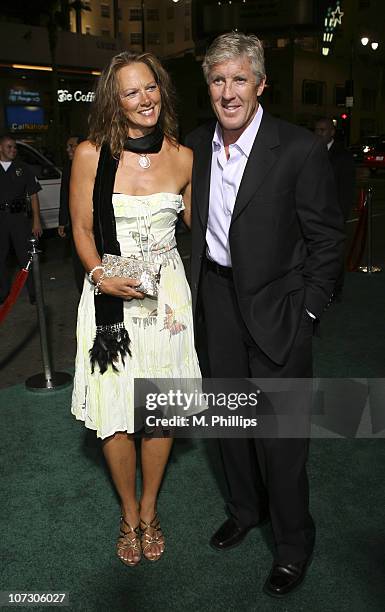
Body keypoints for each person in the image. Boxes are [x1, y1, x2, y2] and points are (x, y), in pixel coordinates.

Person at [185, 33, 345, 597]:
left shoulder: (297, 148)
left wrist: (308, 313)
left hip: (280, 308)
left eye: (239, 80)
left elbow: (328, 240)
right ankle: (244, 510)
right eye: (217, 80)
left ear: (260, 85)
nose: (228, 92)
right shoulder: (196, 145)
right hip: (218, 305)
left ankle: (293, 544)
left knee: (280, 438)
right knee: (230, 425)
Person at [70, 51, 201, 567]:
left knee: (160, 411)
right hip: (109, 301)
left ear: (161, 90)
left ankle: (150, 510)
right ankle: (127, 513)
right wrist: (101, 275)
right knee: (117, 416)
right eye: (131, 92)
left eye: (151, 88)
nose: (145, 100)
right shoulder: (91, 154)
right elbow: (81, 229)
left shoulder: (185, 158)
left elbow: (209, 230)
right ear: (114, 101)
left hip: (167, 304)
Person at [315, 117, 355, 299]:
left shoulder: (343, 156)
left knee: (335, 254)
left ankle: (336, 290)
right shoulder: (312, 152)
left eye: (323, 130)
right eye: (317, 130)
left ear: (332, 132)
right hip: (313, 214)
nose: (319, 133)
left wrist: (341, 217)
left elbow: (346, 190)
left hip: (334, 215)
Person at [0, 134, 42, 305]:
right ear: (0, 148)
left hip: (18, 218)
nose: (13, 150)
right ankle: (3, 292)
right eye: (9, 147)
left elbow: (33, 196)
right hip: (1, 219)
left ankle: (34, 293)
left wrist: (37, 221)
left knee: (25, 257)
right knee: (1, 258)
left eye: (14, 147)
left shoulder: (23, 168)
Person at [58, 135, 85, 293]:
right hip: (76, 222)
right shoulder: (68, 168)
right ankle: (82, 292)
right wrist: (63, 221)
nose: (68, 150)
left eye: (71, 146)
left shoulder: (93, 163)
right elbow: (64, 196)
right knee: (78, 260)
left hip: (95, 220)